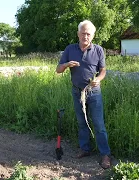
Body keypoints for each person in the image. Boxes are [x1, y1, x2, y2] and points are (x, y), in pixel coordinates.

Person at [55, 20, 111, 169]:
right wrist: (67, 64)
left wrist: (98, 79)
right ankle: (85, 149)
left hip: (93, 92)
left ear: (92, 35)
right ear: (78, 34)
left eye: (88, 34)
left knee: (98, 124)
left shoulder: (98, 50)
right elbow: (58, 70)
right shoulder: (70, 49)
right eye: (83, 33)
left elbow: (103, 70)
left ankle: (105, 154)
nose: (85, 36)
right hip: (77, 91)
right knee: (82, 122)